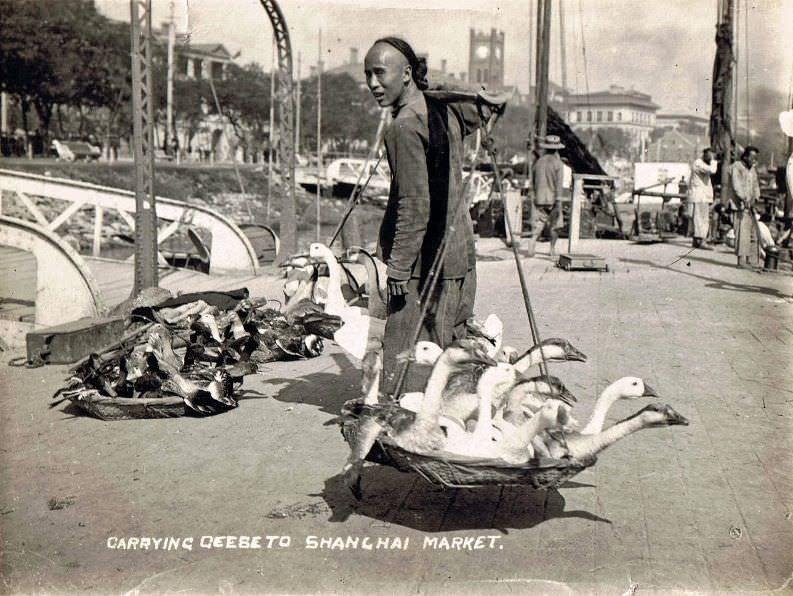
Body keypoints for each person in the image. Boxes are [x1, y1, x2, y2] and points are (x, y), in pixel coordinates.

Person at [363, 37, 501, 396]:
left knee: (409, 357)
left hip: (424, 264)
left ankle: (406, 426)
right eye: (368, 75)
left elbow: (414, 203)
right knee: (448, 346)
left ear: (407, 73)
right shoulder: (444, 111)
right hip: (458, 257)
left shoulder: (405, 125)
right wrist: (452, 91)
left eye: (380, 73)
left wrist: (397, 267)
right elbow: (487, 105)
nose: (373, 84)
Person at [529, 134, 566, 257]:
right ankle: (552, 249)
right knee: (555, 225)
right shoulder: (558, 164)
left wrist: (533, 196)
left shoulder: (538, 162)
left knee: (539, 223)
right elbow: (559, 185)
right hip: (553, 199)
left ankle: (532, 243)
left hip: (539, 198)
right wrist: (559, 202)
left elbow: (532, 182)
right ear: (557, 149)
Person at [730, 145, 761, 268]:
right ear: (745, 156)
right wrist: (744, 198)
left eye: (756, 158)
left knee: (752, 233)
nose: (754, 160)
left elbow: (756, 185)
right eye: (752, 157)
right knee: (742, 233)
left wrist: (756, 197)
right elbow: (736, 186)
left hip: (750, 206)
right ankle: (741, 261)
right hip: (740, 206)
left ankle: (750, 260)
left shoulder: (752, 169)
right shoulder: (737, 167)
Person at [688, 147, 718, 249]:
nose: (711, 158)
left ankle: (697, 241)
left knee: (699, 218)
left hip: (702, 196)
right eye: (709, 155)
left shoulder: (702, 164)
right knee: (702, 219)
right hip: (700, 196)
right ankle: (701, 241)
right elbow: (713, 170)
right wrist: (713, 160)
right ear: (705, 155)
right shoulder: (698, 163)